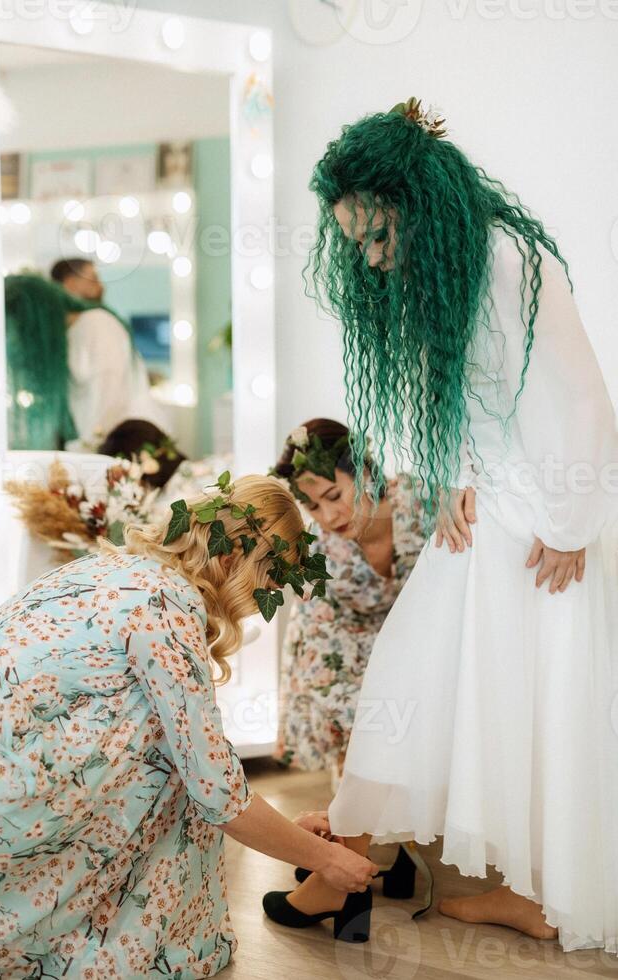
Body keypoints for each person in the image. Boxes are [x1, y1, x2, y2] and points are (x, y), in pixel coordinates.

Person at [263, 99, 618, 953]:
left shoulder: (506, 258)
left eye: (378, 235)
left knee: (500, 698)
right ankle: (380, 868)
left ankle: (370, 873)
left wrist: (569, 523)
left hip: (539, 517)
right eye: (357, 243)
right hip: (495, 510)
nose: (372, 257)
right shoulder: (462, 265)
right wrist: (461, 475)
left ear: (418, 205)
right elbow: (476, 392)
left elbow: (579, 395)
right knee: (465, 695)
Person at [0, 475, 378, 976]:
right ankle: (126, 941)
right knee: (178, 756)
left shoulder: (113, 566)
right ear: (233, 560)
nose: (256, 606)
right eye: (264, 586)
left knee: (177, 736)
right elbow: (215, 787)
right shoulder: (166, 608)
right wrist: (326, 859)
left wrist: (288, 832)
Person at [270, 418, 425, 779]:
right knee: (358, 740)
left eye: (334, 496)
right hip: (341, 644)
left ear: (365, 472)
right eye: (312, 507)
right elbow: (321, 660)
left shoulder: (420, 505)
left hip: (411, 635)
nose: (328, 517)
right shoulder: (316, 551)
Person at [5, 275, 167, 451]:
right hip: (98, 451)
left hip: (127, 448)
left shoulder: (97, 327)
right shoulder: (64, 342)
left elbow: (107, 411)